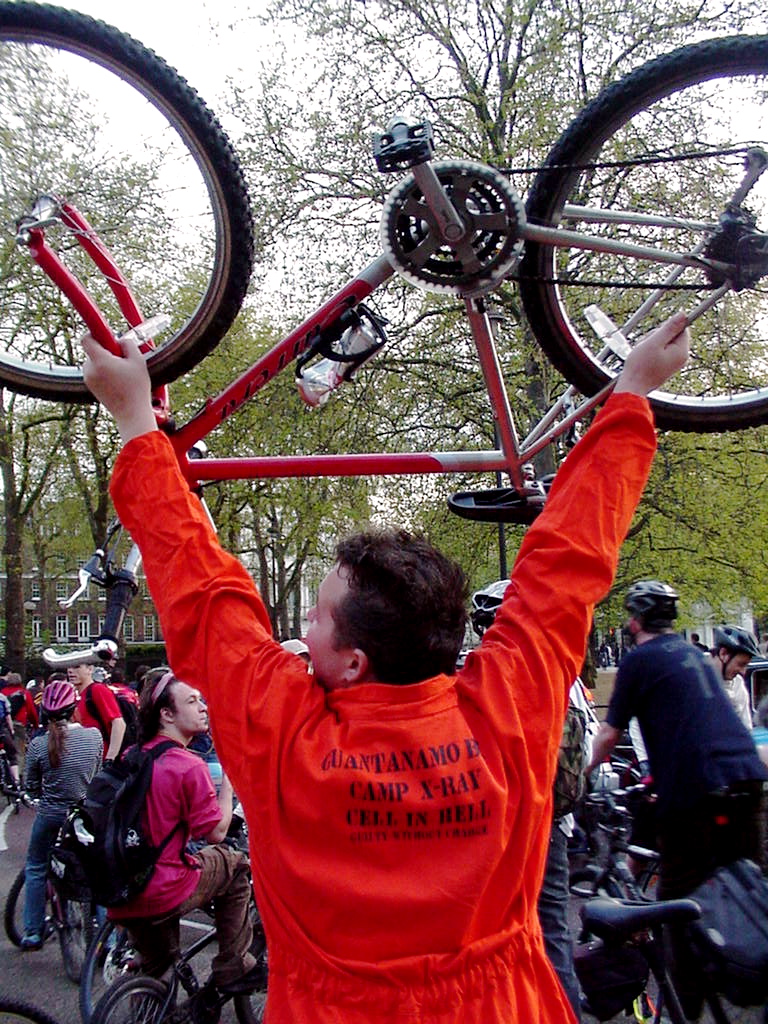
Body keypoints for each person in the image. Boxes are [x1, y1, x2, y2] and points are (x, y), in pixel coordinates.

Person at [82, 314, 689, 1023]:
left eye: (315, 616)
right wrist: (631, 395)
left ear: (353, 662)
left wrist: (135, 424)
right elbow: (570, 560)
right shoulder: (508, 709)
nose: (301, 628)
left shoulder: (284, 733)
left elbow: (202, 588)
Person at [586, 581, 768, 1016]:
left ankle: (682, 1009)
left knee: (676, 906)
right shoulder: (698, 657)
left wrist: (581, 775)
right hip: (746, 783)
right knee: (749, 889)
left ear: (634, 621)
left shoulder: (639, 660)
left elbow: (608, 735)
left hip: (694, 795)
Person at [108, 667, 259, 991]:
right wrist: (229, 782)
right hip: (164, 887)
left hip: (122, 888)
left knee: (157, 974)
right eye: (192, 701)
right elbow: (216, 832)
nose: (203, 707)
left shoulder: (132, 755)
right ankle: (233, 966)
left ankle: (150, 1003)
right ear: (167, 714)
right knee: (235, 864)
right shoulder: (188, 765)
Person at [20, 677, 102, 950]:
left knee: (35, 868)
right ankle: (107, 936)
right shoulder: (93, 736)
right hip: (82, 816)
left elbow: (31, 786)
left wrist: (35, 795)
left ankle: (33, 932)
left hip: (50, 815)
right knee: (95, 871)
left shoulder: (38, 745)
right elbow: (97, 774)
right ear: (74, 708)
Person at [67, 661, 126, 762]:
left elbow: (118, 723)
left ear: (90, 669)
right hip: (84, 760)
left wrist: (110, 758)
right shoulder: (73, 695)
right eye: (68, 667)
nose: (70, 671)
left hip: (100, 760)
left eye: (77, 667)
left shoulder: (98, 689)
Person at [709, 624, 759, 730]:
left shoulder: (738, 684)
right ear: (723, 654)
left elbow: (746, 728)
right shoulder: (696, 680)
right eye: (741, 664)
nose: (743, 672)